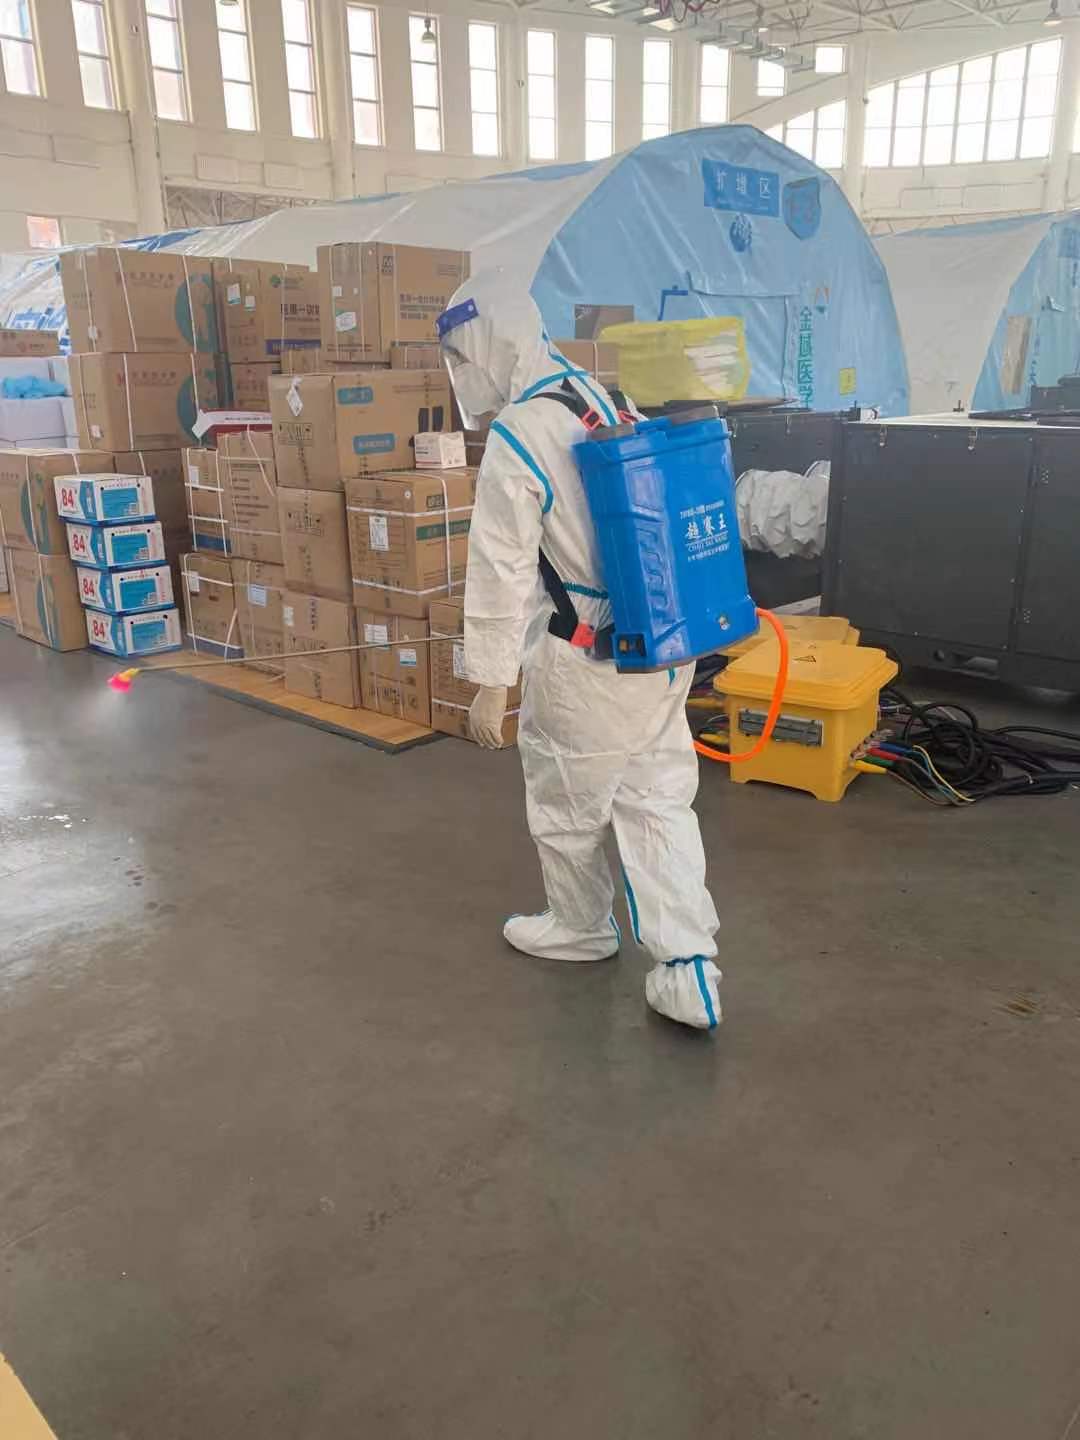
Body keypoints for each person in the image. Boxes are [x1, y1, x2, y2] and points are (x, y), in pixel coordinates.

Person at [438, 272, 721, 1031]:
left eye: (460, 356)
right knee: (657, 797)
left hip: (587, 660)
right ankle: (690, 966)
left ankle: (581, 926)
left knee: (566, 802)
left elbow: (500, 567)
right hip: (662, 645)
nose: (461, 373)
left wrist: (491, 681)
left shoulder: (518, 433)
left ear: (488, 344)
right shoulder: (604, 399)